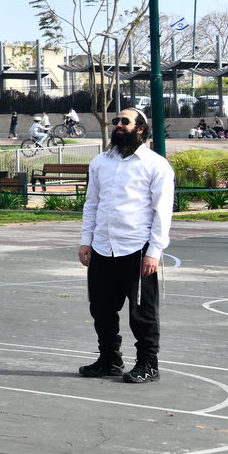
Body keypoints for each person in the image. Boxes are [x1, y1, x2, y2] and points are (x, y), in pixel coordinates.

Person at [77, 108, 174, 384]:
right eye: (116, 121)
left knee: (141, 313)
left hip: (137, 249)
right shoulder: (100, 163)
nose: (118, 125)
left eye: (125, 121)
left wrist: (154, 252)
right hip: (103, 247)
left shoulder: (156, 165)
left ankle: (148, 363)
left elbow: (161, 212)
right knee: (101, 309)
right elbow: (92, 204)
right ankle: (109, 359)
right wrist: (87, 241)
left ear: (140, 128)